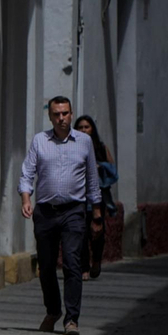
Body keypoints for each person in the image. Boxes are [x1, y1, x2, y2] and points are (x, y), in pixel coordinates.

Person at [19, 96, 102, 335]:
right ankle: (53, 310)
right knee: (46, 266)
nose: (61, 118)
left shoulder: (84, 142)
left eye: (65, 113)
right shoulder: (40, 141)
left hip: (73, 211)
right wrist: (26, 199)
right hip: (45, 211)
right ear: (50, 116)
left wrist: (97, 214)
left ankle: (72, 319)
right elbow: (27, 173)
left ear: (71, 114)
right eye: (56, 114)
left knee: (72, 263)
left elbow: (92, 179)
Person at [73, 114, 117, 279]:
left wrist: (99, 167)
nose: (84, 130)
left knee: (97, 230)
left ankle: (97, 260)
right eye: (80, 127)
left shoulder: (100, 147)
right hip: (78, 196)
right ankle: (84, 267)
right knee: (81, 232)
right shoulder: (72, 147)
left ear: (92, 129)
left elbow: (112, 169)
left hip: (97, 197)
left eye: (87, 127)